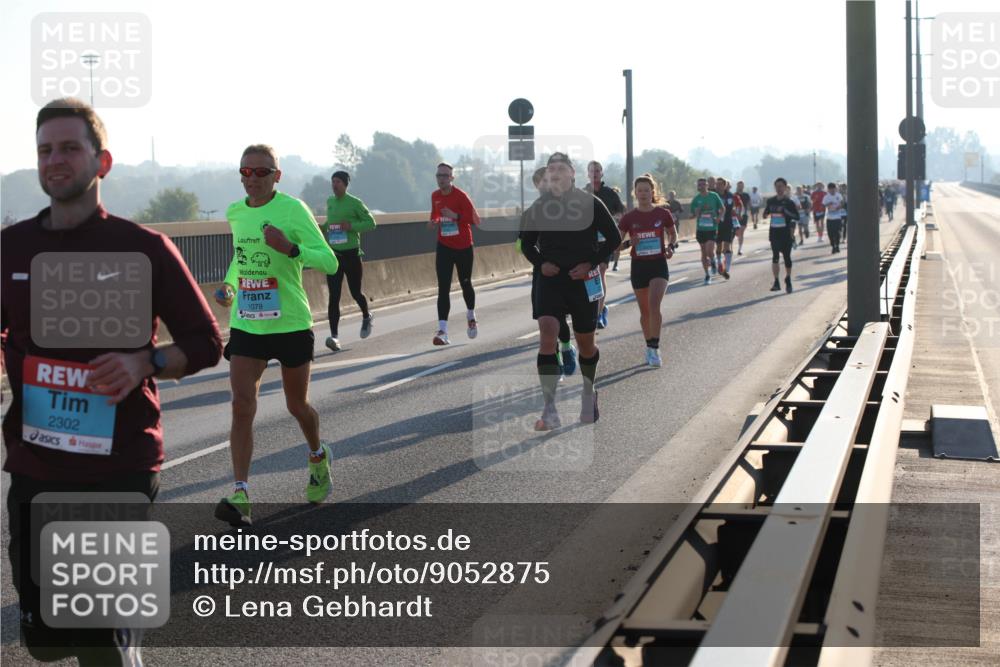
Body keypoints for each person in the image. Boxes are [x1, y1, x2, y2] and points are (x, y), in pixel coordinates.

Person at [2, 98, 222, 665]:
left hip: (117, 467)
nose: (56, 160)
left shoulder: (143, 248)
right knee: (48, 643)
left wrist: (143, 362)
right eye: (45, 150)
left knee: (99, 639)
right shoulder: (12, 249)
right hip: (36, 465)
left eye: (70, 148)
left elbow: (205, 342)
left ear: (102, 162)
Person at [214, 144, 340, 526]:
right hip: (248, 323)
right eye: (245, 172)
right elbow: (242, 257)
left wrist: (291, 248)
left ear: (277, 175)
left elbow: (330, 262)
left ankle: (318, 458)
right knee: (241, 404)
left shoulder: (292, 210)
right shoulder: (236, 212)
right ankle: (241, 494)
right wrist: (230, 285)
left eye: (261, 172)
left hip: (290, 323)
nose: (252, 179)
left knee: (297, 406)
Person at [519, 153, 621, 430]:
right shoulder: (538, 207)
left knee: (586, 342)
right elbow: (526, 244)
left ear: (572, 173)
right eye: (551, 169)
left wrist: (591, 262)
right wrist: (542, 264)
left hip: (582, 280)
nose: (555, 173)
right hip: (550, 280)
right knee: (547, 331)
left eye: (561, 168)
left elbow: (614, 238)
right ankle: (549, 408)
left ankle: (589, 392)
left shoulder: (590, 203)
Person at [520, 167, 577, 378]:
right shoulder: (532, 211)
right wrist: (539, 261)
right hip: (543, 272)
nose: (545, 185)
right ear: (536, 186)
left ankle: (566, 346)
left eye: (548, 180)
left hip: (566, 273)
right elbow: (522, 244)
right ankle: (556, 361)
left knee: (559, 318)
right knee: (546, 321)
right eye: (540, 182)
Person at [617, 175, 676, 367]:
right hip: (639, 266)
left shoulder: (662, 214)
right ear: (635, 193)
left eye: (646, 190)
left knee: (654, 305)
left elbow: (673, 234)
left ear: (653, 192)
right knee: (645, 311)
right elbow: (615, 245)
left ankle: (655, 347)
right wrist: (628, 243)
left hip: (658, 264)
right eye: (639, 190)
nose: (643, 194)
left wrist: (670, 247)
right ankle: (649, 347)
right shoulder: (629, 218)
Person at [321, 170, 376, 352]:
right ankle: (334, 336)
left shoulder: (354, 203)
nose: (334, 185)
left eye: (338, 182)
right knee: (333, 297)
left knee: (355, 293)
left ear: (345, 184)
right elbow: (330, 223)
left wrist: (351, 226)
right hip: (335, 255)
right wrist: (321, 228)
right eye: (332, 182)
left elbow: (371, 223)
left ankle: (367, 316)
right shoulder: (330, 202)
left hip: (352, 254)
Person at [428, 162, 481, 345]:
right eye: (438, 175)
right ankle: (442, 331)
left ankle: (471, 316)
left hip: (464, 247)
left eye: (444, 176)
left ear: (451, 178)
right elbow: (435, 215)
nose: (441, 179)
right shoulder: (435, 196)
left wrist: (455, 215)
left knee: (465, 283)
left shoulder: (461, 196)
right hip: (444, 245)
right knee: (443, 288)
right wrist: (433, 222)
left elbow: (476, 219)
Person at [583, 161, 624, 328]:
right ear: (587, 174)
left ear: (602, 173)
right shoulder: (581, 193)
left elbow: (622, 214)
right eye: (592, 171)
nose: (595, 173)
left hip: (605, 241)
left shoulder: (610, 194)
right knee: (588, 276)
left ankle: (598, 313)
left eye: (598, 170)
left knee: (600, 271)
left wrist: (613, 222)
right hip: (586, 241)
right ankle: (596, 307)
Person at [762, 177, 799, 293]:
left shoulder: (789, 202)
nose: (779, 188)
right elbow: (765, 214)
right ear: (775, 187)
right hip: (774, 232)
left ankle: (788, 278)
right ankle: (776, 281)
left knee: (787, 258)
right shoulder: (771, 201)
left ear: (785, 187)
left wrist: (785, 212)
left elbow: (796, 216)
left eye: (781, 186)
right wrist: (765, 213)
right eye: (777, 186)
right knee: (775, 257)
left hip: (786, 233)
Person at [690, 177, 725, 285]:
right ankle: (707, 275)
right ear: (697, 186)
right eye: (699, 185)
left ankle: (713, 261)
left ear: (707, 185)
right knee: (703, 253)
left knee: (710, 251)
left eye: (703, 184)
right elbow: (692, 215)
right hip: (701, 229)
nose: (701, 186)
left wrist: (719, 218)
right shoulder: (696, 199)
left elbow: (722, 209)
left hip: (711, 228)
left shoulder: (714, 196)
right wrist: (697, 213)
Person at [714, 178, 739, 279]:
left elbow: (728, 207)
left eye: (720, 184)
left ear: (725, 185)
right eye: (717, 184)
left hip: (728, 223)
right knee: (719, 246)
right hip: (717, 224)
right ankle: (720, 264)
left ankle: (727, 267)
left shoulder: (730, 196)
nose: (718, 186)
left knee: (727, 246)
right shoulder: (713, 195)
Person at [823, 181, 846, 254]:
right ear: (828, 189)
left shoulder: (838, 195)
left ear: (835, 189)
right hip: (829, 218)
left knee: (837, 233)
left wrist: (839, 207)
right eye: (830, 189)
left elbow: (842, 203)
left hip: (837, 217)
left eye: (833, 189)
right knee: (830, 234)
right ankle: (833, 246)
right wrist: (828, 204)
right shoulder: (826, 197)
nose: (832, 190)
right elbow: (823, 205)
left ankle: (837, 246)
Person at [735, 180, 750, 255]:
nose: (740, 187)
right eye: (739, 186)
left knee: (741, 231)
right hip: (736, 215)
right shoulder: (734, 195)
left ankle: (740, 249)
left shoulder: (746, 195)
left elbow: (748, 204)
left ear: (743, 186)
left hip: (744, 215)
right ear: (737, 186)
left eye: (742, 186)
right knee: (737, 232)